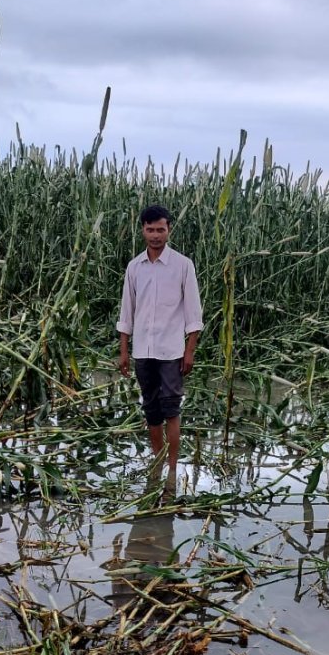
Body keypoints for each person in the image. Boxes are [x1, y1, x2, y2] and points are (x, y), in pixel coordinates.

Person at [117, 205, 203, 480]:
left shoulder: (182, 265)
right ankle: (158, 463)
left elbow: (193, 313)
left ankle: (173, 470)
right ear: (142, 230)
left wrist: (189, 351)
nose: (155, 235)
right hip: (143, 350)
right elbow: (126, 312)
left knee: (171, 409)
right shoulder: (134, 267)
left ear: (169, 230)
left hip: (171, 351)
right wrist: (124, 351)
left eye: (160, 230)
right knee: (151, 409)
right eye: (150, 229)